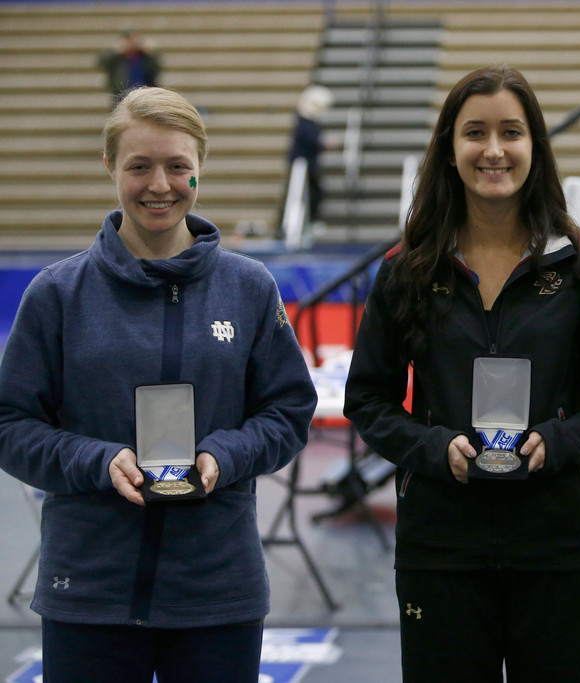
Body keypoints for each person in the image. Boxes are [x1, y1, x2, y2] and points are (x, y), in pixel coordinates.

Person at [0, 87, 318, 682]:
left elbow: (287, 411)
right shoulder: (57, 294)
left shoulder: (248, 289)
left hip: (217, 590)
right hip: (89, 590)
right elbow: (10, 424)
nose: (160, 185)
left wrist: (224, 455)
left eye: (178, 167)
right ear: (109, 168)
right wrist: (97, 460)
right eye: (138, 166)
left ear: (200, 168)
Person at [343, 64, 580, 682]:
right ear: (450, 150)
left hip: (560, 545)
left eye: (512, 132)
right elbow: (368, 399)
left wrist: (558, 442)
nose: (494, 150)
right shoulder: (407, 269)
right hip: (441, 546)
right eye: (475, 132)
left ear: (535, 147)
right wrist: (429, 446)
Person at [287, 84, 334, 224]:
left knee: (313, 194)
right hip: (303, 166)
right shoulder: (305, 122)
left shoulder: (307, 122)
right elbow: (313, 140)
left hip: (307, 165)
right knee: (310, 195)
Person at [97, 30, 162, 107]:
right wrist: (116, 51)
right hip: (121, 95)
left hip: (145, 95)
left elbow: (156, 69)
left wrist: (151, 54)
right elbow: (101, 63)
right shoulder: (117, 57)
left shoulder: (145, 57)